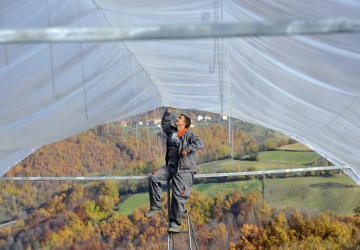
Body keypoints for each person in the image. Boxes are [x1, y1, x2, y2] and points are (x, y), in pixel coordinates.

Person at [145, 107, 204, 233]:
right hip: (170, 166)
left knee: (178, 196)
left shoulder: (188, 134)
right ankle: (156, 206)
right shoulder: (172, 132)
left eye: (180, 118)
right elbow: (165, 124)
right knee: (154, 178)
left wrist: (186, 149)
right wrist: (168, 112)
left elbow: (200, 143)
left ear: (185, 123)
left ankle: (175, 223)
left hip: (183, 170)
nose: (177, 118)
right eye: (178, 117)